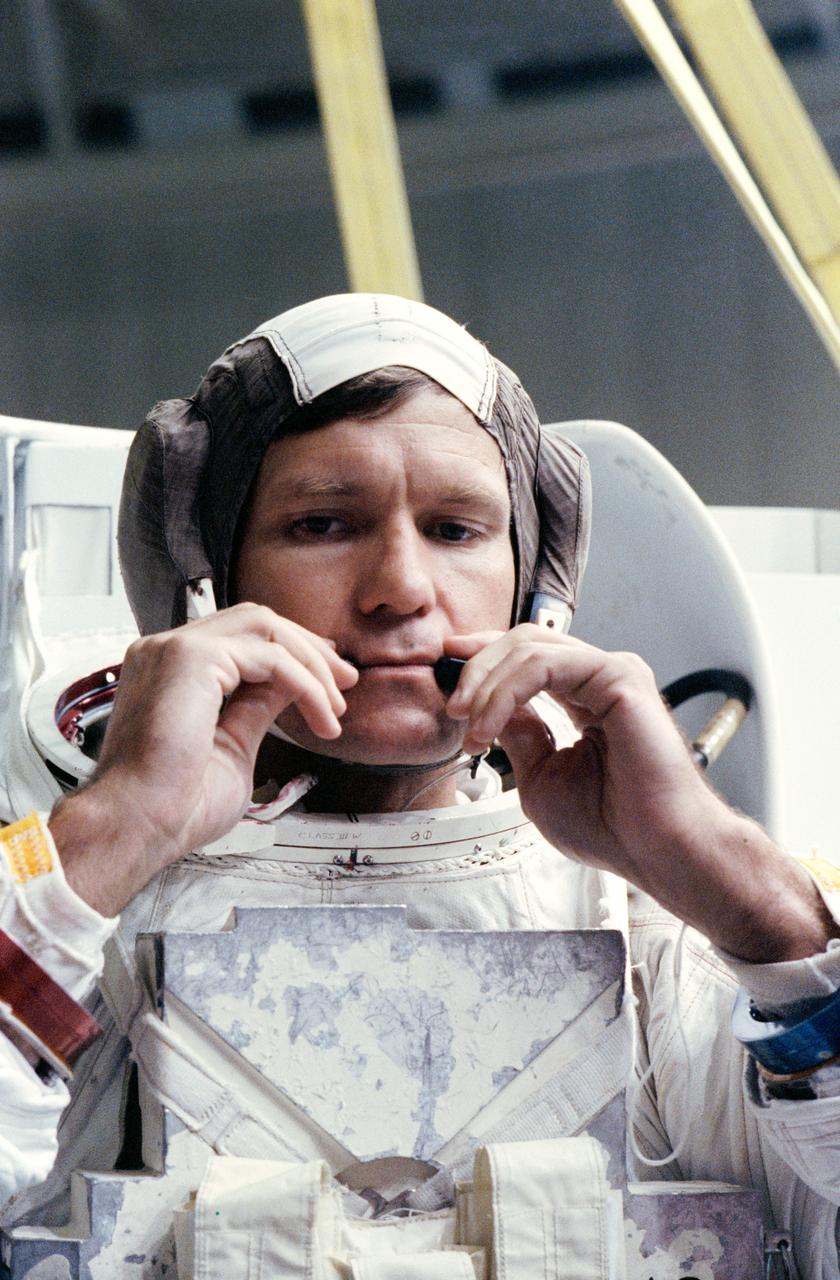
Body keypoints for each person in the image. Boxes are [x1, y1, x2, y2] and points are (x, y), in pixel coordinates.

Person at [1, 293, 839, 1276]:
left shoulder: (667, 932)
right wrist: (117, 830)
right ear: (209, 576)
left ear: (536, 585)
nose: (401, 584)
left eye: (454, 528)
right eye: (323, 523)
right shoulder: (69, 911)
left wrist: (745, 900)